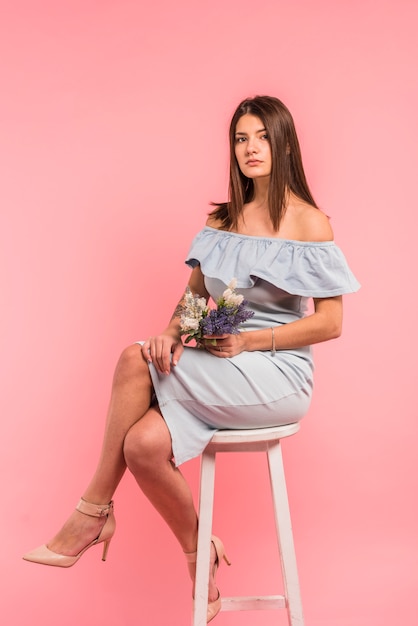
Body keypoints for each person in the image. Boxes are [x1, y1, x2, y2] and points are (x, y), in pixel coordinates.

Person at [23, 95, 360, 622]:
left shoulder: (308, 223)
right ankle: (200, 555)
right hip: (218, 366)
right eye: (242, 138)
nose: (251, 148)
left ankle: (90, 515)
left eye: (263, 137)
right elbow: (193, 302)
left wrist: (251, 341)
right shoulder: (222, 220)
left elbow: (331, 323)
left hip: (277, 374)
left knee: (131, 362)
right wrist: (167, 334)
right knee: (141, 444)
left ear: (285, 142)